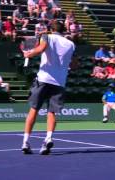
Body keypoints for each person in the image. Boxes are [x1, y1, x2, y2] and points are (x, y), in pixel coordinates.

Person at [21, 21, 75, 155]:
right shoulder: (71, 44)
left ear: (51, 29)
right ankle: (48, 138)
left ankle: (25, 142)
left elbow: (40, 49)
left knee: (34, 110)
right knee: (51, 112)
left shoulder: (46, 36)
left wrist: (29, 54)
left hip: (43, 80)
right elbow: (74, 65)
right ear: (63, 30)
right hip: (60, 82)